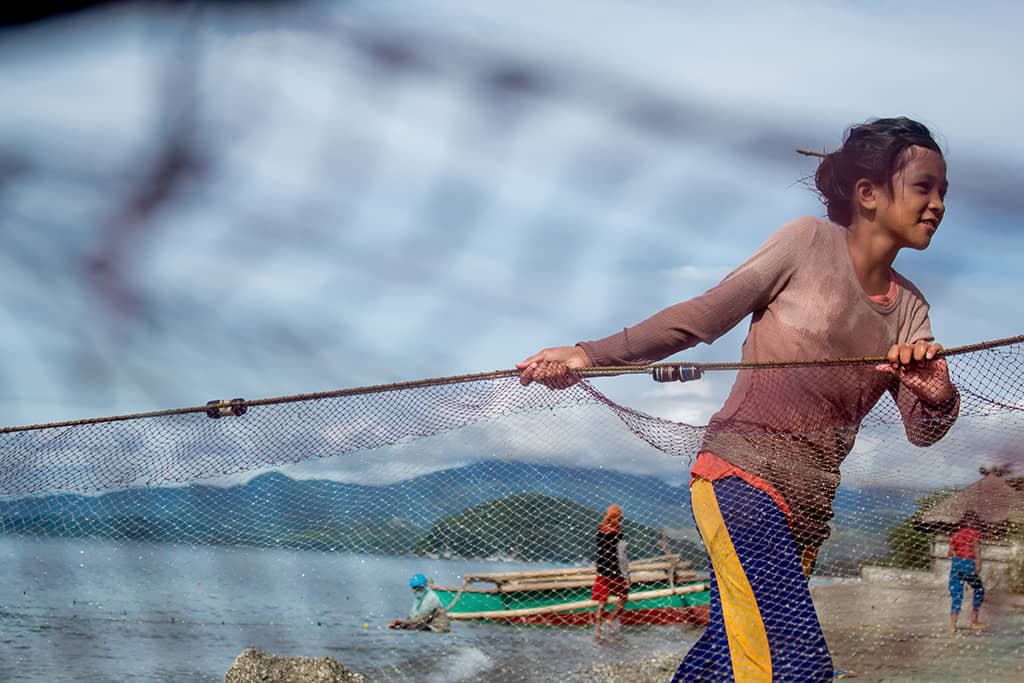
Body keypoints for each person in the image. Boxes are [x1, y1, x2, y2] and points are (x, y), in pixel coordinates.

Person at [516, 117, 960, 681]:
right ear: (868, 193)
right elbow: (700, 318)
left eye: (944, 191)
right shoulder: (805, 243)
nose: (939, 204)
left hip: (809, 514)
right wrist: (589, 354)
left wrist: (938, 395)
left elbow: (923, 430)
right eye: (925, 187)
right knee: (797, 666)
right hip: (740, 482)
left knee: (726, 660)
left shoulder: (911, 309)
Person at [592, 504, 630, 638]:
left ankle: (597, 630)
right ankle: (610, 619)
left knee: (602, 602)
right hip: (615, 572)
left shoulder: (599, 531)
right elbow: (621, 556)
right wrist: (626, 576)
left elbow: (600, 552)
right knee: (623, 597)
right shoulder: (618, 533)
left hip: (602, 572)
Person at [948, 510, 985, 633]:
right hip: (968, 563)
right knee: (979, 589)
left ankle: (953, 626)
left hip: (956, 564)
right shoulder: (974, 534)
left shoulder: (956, 534)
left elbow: (949, 553)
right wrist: (978, 563)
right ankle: (974, 621)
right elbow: (976, 549)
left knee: (956, 595)